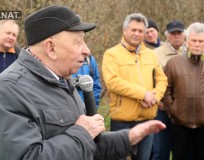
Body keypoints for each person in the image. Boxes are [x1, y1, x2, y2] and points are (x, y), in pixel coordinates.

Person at [0, 5, 166, 160]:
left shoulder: (63, 81)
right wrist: (82, 133)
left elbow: (87, 146)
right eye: (77, 41)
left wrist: (128, 138)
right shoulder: (10, 89)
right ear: (51, 48)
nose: (87, 50)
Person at [102, 13, 167, 160]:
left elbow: (162, 80)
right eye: (133, 30)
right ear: (124, 31)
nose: (137, 34)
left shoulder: (151, 55)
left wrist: (154, 97)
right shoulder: (112, 54)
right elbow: (113, 82)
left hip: (147, 118)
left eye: (140, 31)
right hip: (122, 120)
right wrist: (143, 94)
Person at [162, 22, 204, 160]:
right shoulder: (173, 63)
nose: (197, 44)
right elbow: (166, 90)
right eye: (194, 40)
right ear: (186, 41)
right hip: (180, 124)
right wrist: (173, 110)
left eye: (201, 41)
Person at [152, 20, 186, 160]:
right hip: (163, 109)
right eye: (173, 33)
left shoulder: (193, 52)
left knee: (184, 151)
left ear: (184, 35)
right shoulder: (156, 54)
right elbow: (151, 81)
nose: (176, 36)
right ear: (167, 35)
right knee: (161, 151)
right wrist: (159, 102)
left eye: (179, 33)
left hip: (185, 112)